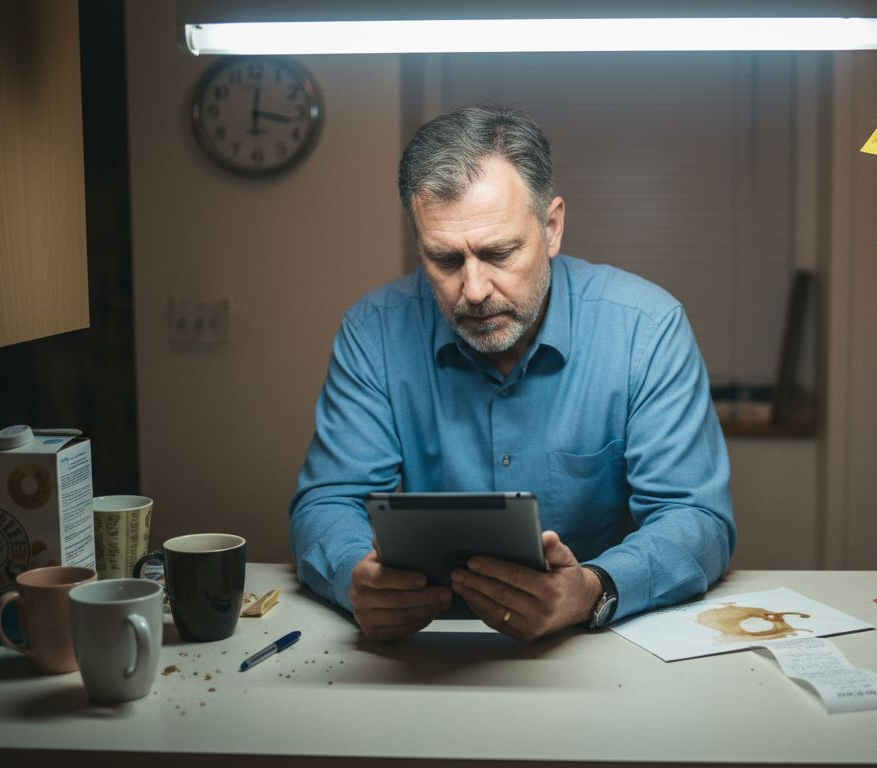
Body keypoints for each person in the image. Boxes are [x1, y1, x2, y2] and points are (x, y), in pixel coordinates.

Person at [289, 105, 734, 643]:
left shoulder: (646, 328)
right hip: (429, 643)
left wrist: (592, 589)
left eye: (499, 253)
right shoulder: (374, 331)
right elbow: (328, 502)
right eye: (445, 260)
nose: (474, 290)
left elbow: (694, 516)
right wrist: (355, 577)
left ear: (551, 227)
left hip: (594, 640)